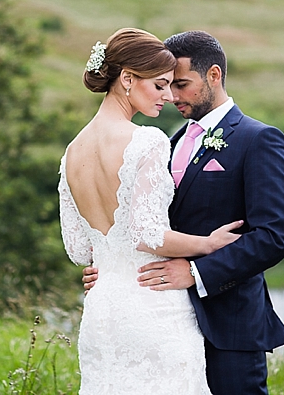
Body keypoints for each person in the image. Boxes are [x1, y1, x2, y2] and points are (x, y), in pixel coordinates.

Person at [82, 30, 284, 395]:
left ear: (214, 75)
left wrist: (196, 273)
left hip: (227, 324)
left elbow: (273, 237)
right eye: (165, 85)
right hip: (161, 323)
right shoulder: (168, 141)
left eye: (181, 84)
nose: (171, 97)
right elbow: (144, 222)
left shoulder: (259, 139)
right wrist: (116, 266)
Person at [59, 28, 245, 394]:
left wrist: (111, 265)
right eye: (159, 85)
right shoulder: (146, 140)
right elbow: (148, 235)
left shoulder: (71, 152)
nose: (167, 95)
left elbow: (78, 250)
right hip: (151, 305)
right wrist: (207, 244)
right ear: (127, 79)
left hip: (102, 310)